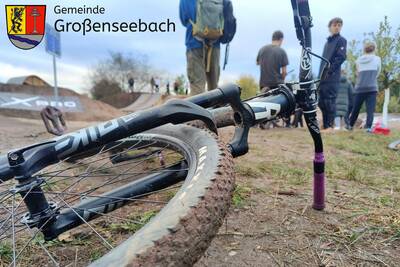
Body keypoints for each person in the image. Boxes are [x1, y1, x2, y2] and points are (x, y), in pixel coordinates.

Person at [179, 0, 222, 95]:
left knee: (197, 86)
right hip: (214, 44)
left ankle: (197, 109)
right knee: (214, 87)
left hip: (194, 43)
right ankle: (216, 108)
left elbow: (183, 19)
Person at [318, 17, 347, 130]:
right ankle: (325, 125)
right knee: (322, 101)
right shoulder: (327, 43)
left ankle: (330, 126)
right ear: (330, 27)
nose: (337, 27)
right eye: (335, 25)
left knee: (330, 101)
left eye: (339, 25)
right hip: (322, 77)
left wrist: (329, 71)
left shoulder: (341, 40)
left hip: (332, 76)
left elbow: (341, 57)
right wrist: (320, 75)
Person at [257, 30, 290, 127]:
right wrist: (283, 78)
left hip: (263, 82)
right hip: (277, 82)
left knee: (263, 102)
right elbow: (284, 71)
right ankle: (283, 122)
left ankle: (264, 121)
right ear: (281, 39)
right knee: (281, 103)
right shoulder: (281, 51)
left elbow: (258, 63)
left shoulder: (262, 49)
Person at [348, 42, 381, 132]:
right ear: (374, 49)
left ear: (364, 49)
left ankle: (350, 125)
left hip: (360, 88)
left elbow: (357, 73)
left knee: (356, 108)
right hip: (372, 87)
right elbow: (378, 72)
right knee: (370, 110)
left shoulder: (358, 60)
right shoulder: (377, 59)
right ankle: (368, 128)